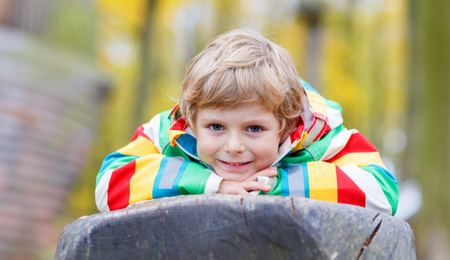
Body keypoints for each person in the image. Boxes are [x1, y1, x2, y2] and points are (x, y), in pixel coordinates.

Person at [95, 28, 399, 216]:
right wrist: (211, 183)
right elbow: (109, 184)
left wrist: (272, 185)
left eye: (254, 129)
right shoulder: (167, 133)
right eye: (216, 127)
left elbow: (383, 192)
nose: (234, 146)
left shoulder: (322, 136)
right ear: (192, 119)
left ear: (287, 125)